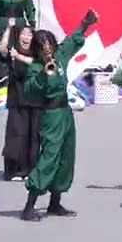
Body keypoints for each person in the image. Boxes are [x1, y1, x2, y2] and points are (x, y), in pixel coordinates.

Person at [20, 11, 96, 222]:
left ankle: (55, 202)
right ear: (36, 49)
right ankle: (30, 205)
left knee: (66, 156)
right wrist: (44, 73)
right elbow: (29, 90)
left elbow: (71, 42)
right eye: (42, 46)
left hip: (65, 112)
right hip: (50, 115)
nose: (47, 49)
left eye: (49, 44)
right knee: (50, 156)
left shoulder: (59, 57)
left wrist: (85, 24)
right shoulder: (35, 68)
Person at [1, 26, 40, 181]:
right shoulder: (12, 53)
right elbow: (3, 48)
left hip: (34, 101)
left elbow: (37, 64)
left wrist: (18, 56)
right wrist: (9, 28)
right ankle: (14, 170)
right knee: (16, 135)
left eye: (30, 34)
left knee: (32, 136)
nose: (26, 37)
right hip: (16, 100)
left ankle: (30, 170)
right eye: (23, 34)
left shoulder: (36, 54)